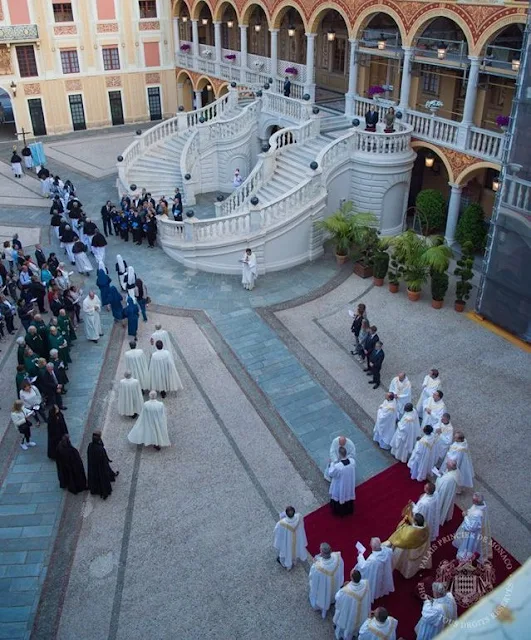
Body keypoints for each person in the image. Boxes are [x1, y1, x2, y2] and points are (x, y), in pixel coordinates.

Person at [385, 507, 431, 579]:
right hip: (420, 546)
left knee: (404, 559)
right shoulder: (425, 527)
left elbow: (402, 535)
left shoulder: (411, 533)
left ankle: (406, 572)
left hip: (410, 548)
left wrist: (404, 524)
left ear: (415, 522)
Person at [332, 569, 371, 640]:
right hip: (360, 611)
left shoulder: (346, 590)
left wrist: (344, 586)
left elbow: (337, 597)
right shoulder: (366, 584)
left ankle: (343, 636)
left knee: (347, 623)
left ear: (352, 578)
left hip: (349, 611)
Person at [453, 492, 492, 563]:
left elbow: (471, 527)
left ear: (475, 501)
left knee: (468, 546)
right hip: (477, 527)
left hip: (471, 534)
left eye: (473, 500)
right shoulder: (482, 505)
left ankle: (464, 558)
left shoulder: (477, 514)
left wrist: (465, 516)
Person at [308, 542, 344, 619]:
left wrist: (316, 562)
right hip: (334, 587)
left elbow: (312, 578)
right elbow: (341, 570)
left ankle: (322, 605)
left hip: (323, 588)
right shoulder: (337, 558)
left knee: (323, 594)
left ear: (321, 552)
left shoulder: (318, 567)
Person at [355, 538, 394, 602]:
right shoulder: (387, 551)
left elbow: (363, 566)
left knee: (375, 583)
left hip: (376, 575)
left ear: (372, 547)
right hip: (384, 572)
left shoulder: (373, 559)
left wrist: (360, 555)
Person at [273, 506, 308, 570]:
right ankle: (295, 560)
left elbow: (277, 532)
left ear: (286, 514)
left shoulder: (281, 523)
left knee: (287, 551)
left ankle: (288, 564)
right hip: (297, 539)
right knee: (297, 548)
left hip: (287, 542)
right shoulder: (299, 516)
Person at [87, 431, 118, 500]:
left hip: (94, 467)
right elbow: (103, 458)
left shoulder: (90, 446)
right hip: (101, 467)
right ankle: (104, 492)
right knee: (103, 479)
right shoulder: (99, 449)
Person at [327, 446, 356, 516]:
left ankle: (339, 512)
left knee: (340, 495)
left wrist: (331, 464)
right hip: (349, 483)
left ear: (339, 454)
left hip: (340, 485)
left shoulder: (338, 466)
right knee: (348, 494)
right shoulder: (352, 461)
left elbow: (331, 473)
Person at [435, 459, 460, 525]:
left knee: (443, 503)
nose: (446, 465)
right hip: (449, 492)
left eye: (447, 465)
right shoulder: (456, 471)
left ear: (450, 467)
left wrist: (439, 478)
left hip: (444, 494)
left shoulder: (448, 479)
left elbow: (441, 486)